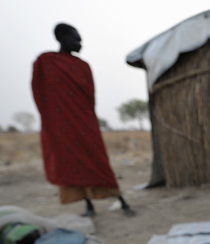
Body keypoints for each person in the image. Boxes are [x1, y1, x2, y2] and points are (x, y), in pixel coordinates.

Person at [32, 23, 135, 217]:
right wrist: (51, 123)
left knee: (98, 160)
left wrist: (87, 120)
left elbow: (90, 97)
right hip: (61, 125)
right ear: (62, 38)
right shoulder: (45, 62)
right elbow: (39, 93)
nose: (80, 43)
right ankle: (88, 205)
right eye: (76, 39)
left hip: (85, 122)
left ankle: (121, 200)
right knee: (72, 163)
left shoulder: (83, 66)